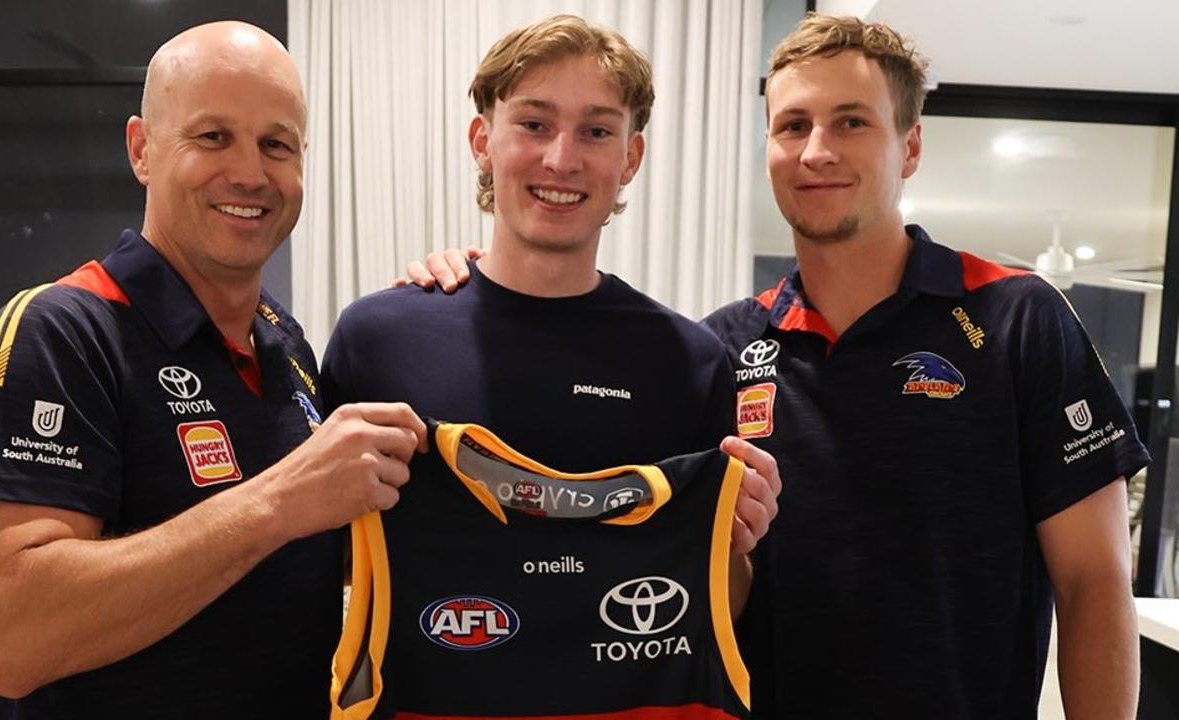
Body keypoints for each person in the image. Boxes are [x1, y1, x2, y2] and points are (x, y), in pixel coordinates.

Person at [409, 13, 1148, 720]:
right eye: (793, 126)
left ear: (911, 146)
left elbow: (1095, 582)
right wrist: (475, 287)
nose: (816, 150)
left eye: (851, 121)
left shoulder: (1017, 317)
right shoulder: (718, 348)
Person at [0, 21, 425, 719]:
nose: (250, 174)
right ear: (142, 149)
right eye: (212, 137)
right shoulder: (60, 333)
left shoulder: (283, 340)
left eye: (276, 144)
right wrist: (277, 504)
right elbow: (9, 637)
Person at [321, 14, 780, 717]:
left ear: (630, 158)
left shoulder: (689, 361)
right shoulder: (377, 338)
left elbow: (716, 601)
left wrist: (734, 534)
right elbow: (331, 569)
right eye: (534, 124)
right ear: (484, 141)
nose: (562, 160)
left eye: (596, 131)